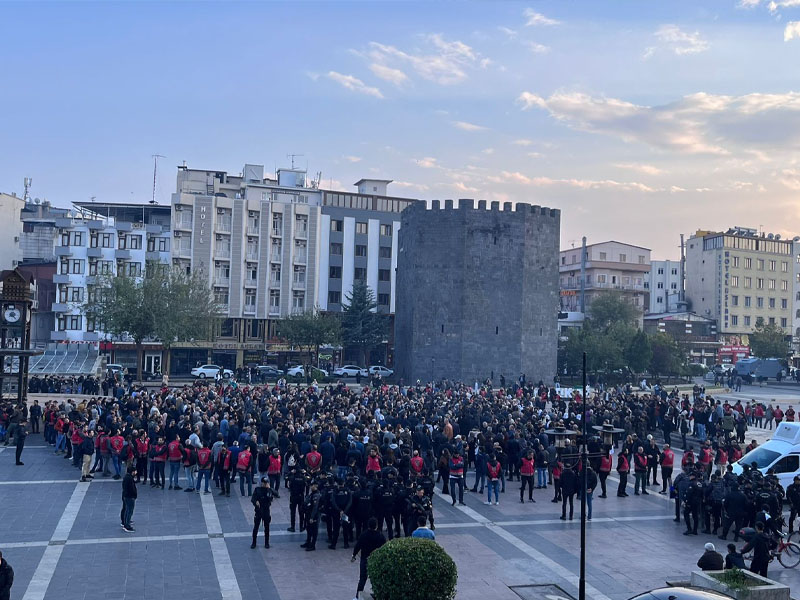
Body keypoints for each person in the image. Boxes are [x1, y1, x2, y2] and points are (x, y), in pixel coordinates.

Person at [351, 517, 386, 600]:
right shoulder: (380, 535)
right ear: (376, 526)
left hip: (365, 559)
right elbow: (385, 547)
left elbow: (358, 545)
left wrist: (354, 555)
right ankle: (377, 594)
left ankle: (357, 597)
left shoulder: (363, 534)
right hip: (376, 560)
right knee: (375, 578)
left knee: (362, 579)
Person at [250, 477, 275, 549]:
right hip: (258, 510)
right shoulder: (257, 490)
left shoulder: (269, 490)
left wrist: (270, 489)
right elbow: (253, 499)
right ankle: (254, 542)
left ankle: (267, 543)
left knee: (267, 527)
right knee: (256, 527)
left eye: (266, 483)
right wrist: (255, 502)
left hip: (266, 510)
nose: (265, 484)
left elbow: (276, 494)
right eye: (264, 483)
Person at [121, 466, 137, 532]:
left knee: (126, 509)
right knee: (129, 510)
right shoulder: (129, 479)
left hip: (126, 496)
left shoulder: (127, 477)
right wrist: (134, 495)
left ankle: (125, 522)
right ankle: (127, 525)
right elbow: (131, 489)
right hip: (129, 497)